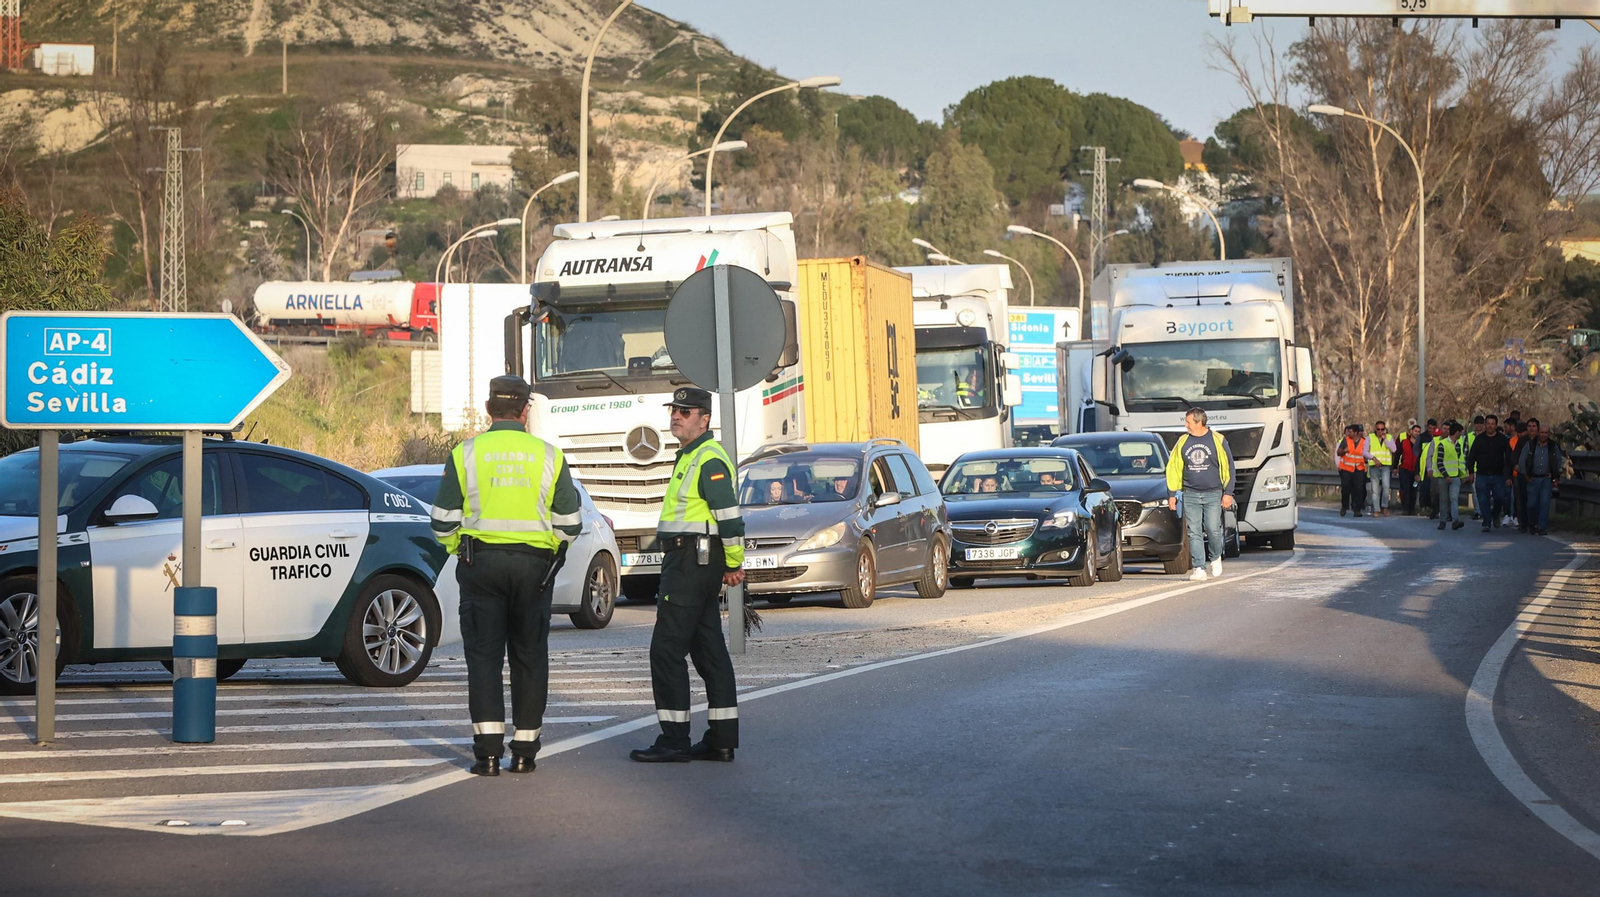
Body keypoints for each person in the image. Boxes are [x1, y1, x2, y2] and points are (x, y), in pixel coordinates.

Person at [431, 375, 582, 777]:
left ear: (488, 409)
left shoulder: (464, 453)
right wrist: (551, 549)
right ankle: (524, 751)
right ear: (524, 410)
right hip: (534, 568)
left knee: (483, 658)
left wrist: (459, 550)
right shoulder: (549, 455)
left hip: (481, 565)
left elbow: (442, 522)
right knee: (529, 657)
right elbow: (570, 523)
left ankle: (487, 755)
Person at [632, 387, 744, 764]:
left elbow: (729, 517)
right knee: (709, 651)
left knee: (665, 651)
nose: (676, 415)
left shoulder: (708, 459)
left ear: (705, 419)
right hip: (690, 560)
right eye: (674, 409)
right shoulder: (691, 456)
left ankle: (674, 740)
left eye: (685, 410)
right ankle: (721, 738)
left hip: (691, 562)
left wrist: (733, 562)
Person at [1166, 408, 1235, 581]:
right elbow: (1174, 468)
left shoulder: (1218, 440)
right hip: (1190, 493)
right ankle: (1199, 568)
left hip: (1213, 493)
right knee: (1193, 532)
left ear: (1199, 422)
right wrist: (1172, 494)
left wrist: (1228, 493)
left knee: (1212, 528)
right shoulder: (1183, 441)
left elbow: (1229, 467)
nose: (1185, 425)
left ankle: (1215, 557)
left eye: (1188, 422)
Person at [1466, 413, 1512, 533]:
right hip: (1481, 475)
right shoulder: (1479, 439)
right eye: (1488, 424)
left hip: (1498, 475)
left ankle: (1495, 515)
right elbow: (1471, 457)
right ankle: (1486, 522)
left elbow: (1508, 458)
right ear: (1485, 425)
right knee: (1483, 500)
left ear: (1496, 425)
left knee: (1499, 498)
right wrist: (1470, 472)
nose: (1490, 426)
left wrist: (1508, 475)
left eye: (1492, 424)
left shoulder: (1502, 440)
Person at [1519, 422, 1563, 536]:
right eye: (1542, 432)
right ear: (1538, 433)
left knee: (1544, 502)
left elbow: (1559, 460)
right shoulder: (1530, 444)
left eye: (1546, 433)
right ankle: (1532, 523)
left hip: (1546, 479)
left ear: (1549, 434)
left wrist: (1554, 473)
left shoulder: (1553, 446)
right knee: (1531, 504)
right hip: (1532, 478)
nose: (1543, 435)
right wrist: (1526, 476)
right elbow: (1522, 460)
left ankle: (1542, 527)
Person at [1432, 421, 1468, 531]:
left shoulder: (1458, 445)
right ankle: (1443, 521)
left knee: (1454, 499)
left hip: (1455, 477)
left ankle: (1455, 520)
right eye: (1460, 432)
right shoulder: (1443, 444)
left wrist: (1463, 475)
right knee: (1443, 499)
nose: (1461, 435)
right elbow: (1439, 462)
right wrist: (1446, 475)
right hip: (1444, 477)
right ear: (1456, 432)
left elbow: (1460, 462)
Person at [1363, 420, 1398, 516]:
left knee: (1386, 487)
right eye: (1378, 429)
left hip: (1386, 466)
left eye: (1382, 429)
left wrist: (1385, 439)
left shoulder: (1389, 437)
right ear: (1375, 429)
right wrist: (1373, 459)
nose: (1380, 431)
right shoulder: (1370, 437)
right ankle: (1376, 509)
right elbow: (1365, 452)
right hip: (1374, 466)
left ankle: (1384, 507)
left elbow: (1394, 449)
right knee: (1375, 489)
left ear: (1385, 429)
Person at [1335, 424, 1368, 518]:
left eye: (1350, 432)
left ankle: (1357, 509)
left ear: (1356, 433)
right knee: (1345, 488)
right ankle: (1344, 506)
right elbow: (1338, 452)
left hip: (1359, 469)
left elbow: (1366, 454)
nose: (1348, 433)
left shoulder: (1364, 442)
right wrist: (1344, 451)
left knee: (1358, 489)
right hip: (1346, 468)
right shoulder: (1345, 440)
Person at [1397, 423, 1423, 516]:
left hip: (1416, 471)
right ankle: (1405, 508)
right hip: (1404, 468)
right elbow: (1397, 455)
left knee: (1414, 490)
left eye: (1419, 432)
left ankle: (1412, 509)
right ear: (1411, 431)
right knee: (1405, 489)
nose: (1417, 433)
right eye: (1415, 431)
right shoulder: (1404, 442)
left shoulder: (1421, 445)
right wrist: (1395, 467)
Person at [1508, 420, 1528, 531]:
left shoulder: (1530, 440)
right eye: (1518, 432)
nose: (1520, 434)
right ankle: (1522, 521)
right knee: (1519, 499)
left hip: (1529, 473)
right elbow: (1511, 458)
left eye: (1522, 431)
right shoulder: (1513, 441)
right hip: (1517, 474)